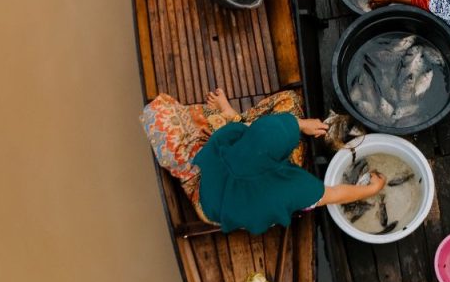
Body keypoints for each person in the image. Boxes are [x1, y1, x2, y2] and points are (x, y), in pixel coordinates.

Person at [139, 87, 385, 235]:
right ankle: (234, 115)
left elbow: (257, 130)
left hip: (211, 187)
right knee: (290, 100)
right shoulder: (292, 187)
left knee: (248, 128)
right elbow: (336, 194)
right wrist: (372, 189)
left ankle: (232, 115)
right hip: (224, 211)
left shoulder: (234, 142)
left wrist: (298, 125)